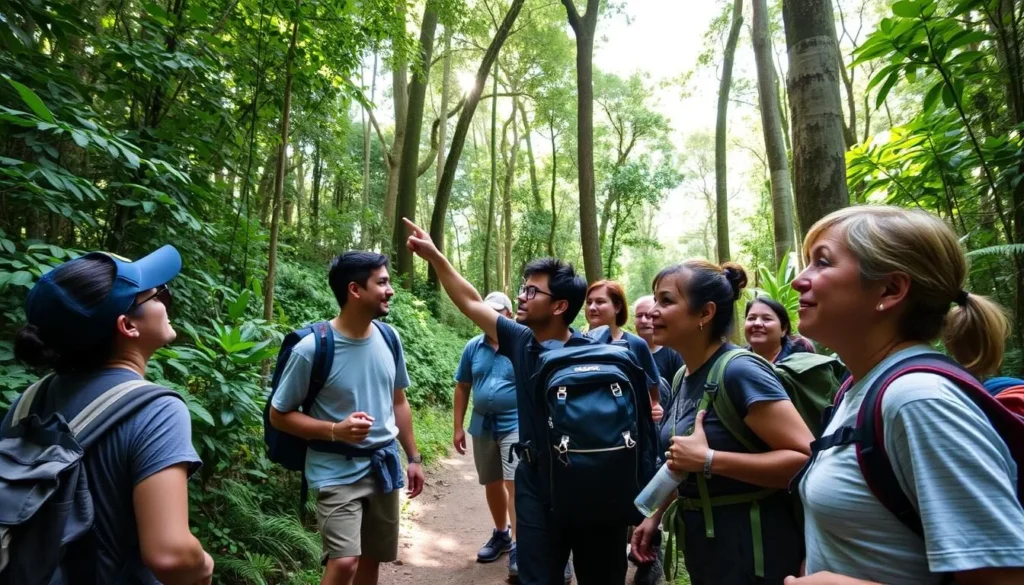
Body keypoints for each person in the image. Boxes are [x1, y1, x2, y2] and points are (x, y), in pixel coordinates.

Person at [786, 205, 1024, 585]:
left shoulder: (918, 400)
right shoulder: (858, 388)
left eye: (822, 263)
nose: (800, 280)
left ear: (891, 289)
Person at [404, 217, 626, 585]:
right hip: (537, 487)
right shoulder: (521, 340)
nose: (522, 296)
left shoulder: (598, 355)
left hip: (592, 487)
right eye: (524, 288)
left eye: (533, 292)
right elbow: (470, 301)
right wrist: (436, 256)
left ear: (559, 307)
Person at [3, 246, 213, 584]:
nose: (166, 303)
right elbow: (170, 554)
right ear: (128, 325)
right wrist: (203, 566)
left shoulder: (28, 401)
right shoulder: (157, 410)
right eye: (160, 296)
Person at [630, 260, 813, 585]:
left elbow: (804, 458)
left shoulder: (740, 372)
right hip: (708, 546)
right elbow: (682, 460)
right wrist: (654, 515)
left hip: (754, 549)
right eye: (654, 299)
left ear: (705, 313)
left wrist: (711, 461)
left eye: (667, 301)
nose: (652, 312)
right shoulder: (681, 376)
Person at [268, 251, 425, 585]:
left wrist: (413, 457)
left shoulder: (389, 338)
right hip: (335, 471)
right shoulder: (312, 348)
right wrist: (336, 430)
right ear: (355, 290)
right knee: (344, 563)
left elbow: (398, 400)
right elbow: (279, 415)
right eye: (382, 282)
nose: (390, 290)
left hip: (383, 466)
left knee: (371, 560)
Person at [452, 291, 520, 579]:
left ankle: (519, 545)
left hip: (515, 423)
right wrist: (457, 427)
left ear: (508, 314)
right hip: (482, 425)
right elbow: (462, 386)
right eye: (486, 311)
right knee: (491, 481)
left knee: (513, 481)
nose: (490, 317)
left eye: (496, 312)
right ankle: (501, 534)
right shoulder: (473, 347)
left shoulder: (519, 343)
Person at [584, 280, 664, 422]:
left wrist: (655, 406)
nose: (592, 307)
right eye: (589, 302)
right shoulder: (578, 346)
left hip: (630, 428)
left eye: (600, 302)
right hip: (589, 425)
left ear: (617, 307)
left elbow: (654, 391)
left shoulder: (636, 344)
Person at [634, 294, 685, 399]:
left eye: (648, 316)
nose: (643, 321)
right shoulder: (628, 351)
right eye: (639, 316)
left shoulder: (674, 352)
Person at [743, 296, 815, 364]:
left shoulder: (803, 358)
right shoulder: (737, 360)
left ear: (783, 329)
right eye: (751, 318)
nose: (757, 323)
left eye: (767, 319)